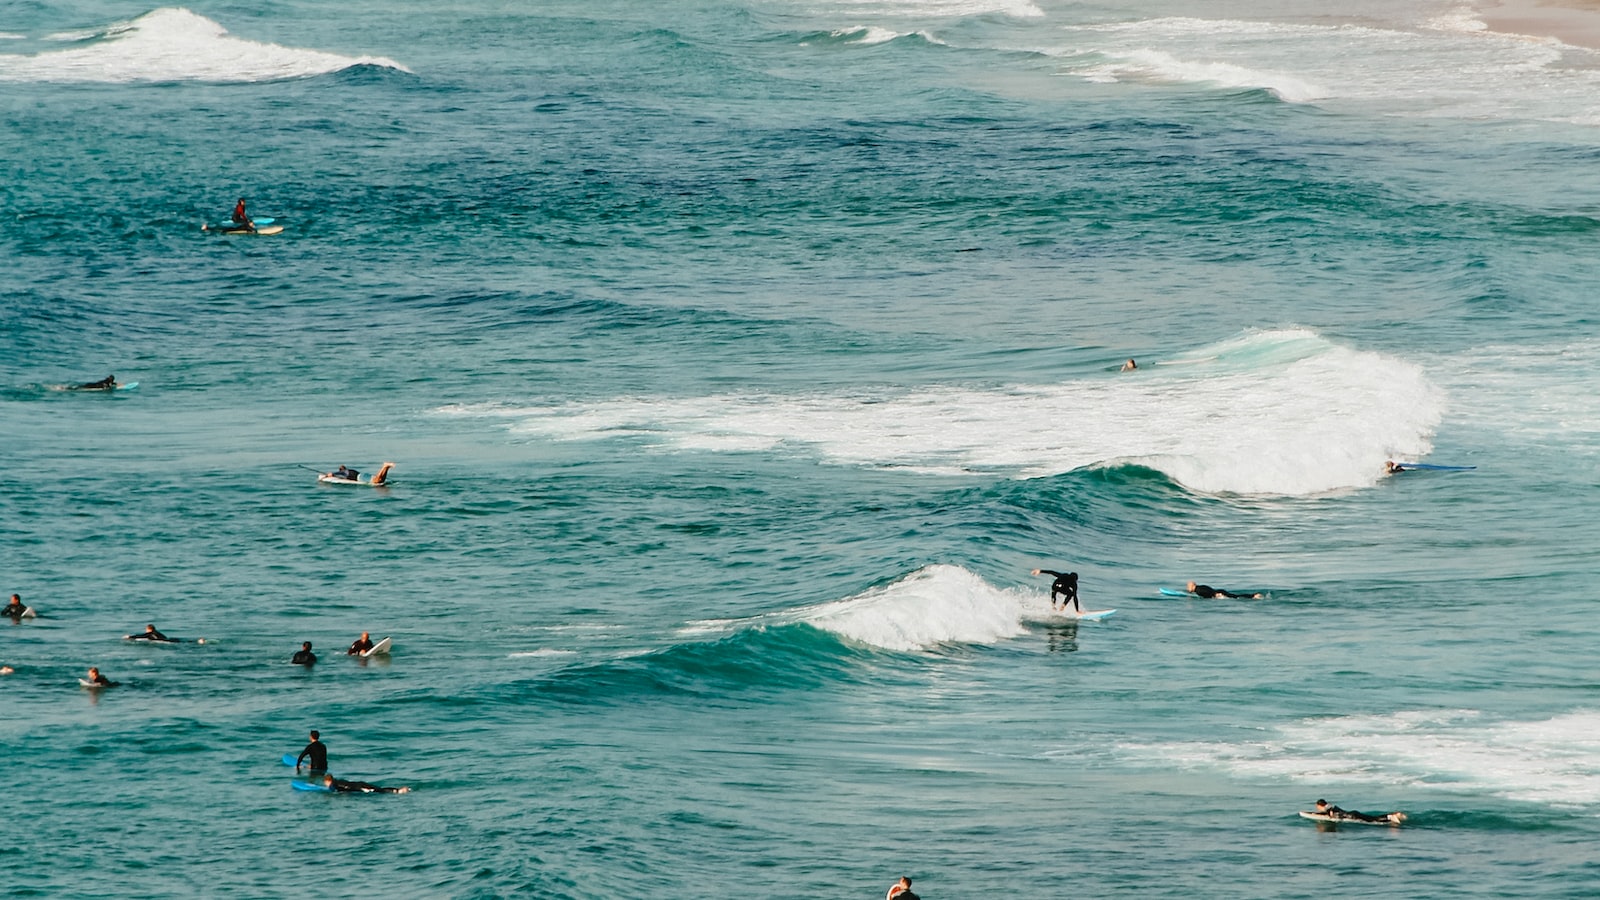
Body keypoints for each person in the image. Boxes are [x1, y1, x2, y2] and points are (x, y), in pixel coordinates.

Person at [1313, 799, 1405, 824]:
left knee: (1373, 821)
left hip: (1352, 817)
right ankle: (1391, 816)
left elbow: (1331, 815)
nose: (1317, 809)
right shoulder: (1331, 805)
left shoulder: (1328, 809)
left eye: (1318, 807)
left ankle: (1391, 817)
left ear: (1320, 805)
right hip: (1352, 813)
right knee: (1373, 818)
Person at [323, 773, 411, 794]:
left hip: (360, 788)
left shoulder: (333, 784)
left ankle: (399, 791)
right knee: (379, 789)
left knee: (378, 791)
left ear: (328, 781)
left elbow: (332, 790)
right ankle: (397, 790)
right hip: (360, 784)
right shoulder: (338, 780)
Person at [1185, 581, 1263, 600]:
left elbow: (1207, 594)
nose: (1187, 588)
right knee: (1234, 596)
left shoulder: (1199, 590)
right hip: (1219, 592)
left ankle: (1253, 596)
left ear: (1192, 586)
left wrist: (1215, 595)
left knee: (1236, 597)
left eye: (1188, 586)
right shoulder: (1200, 587)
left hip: (1219, 594)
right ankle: (1253, 595)